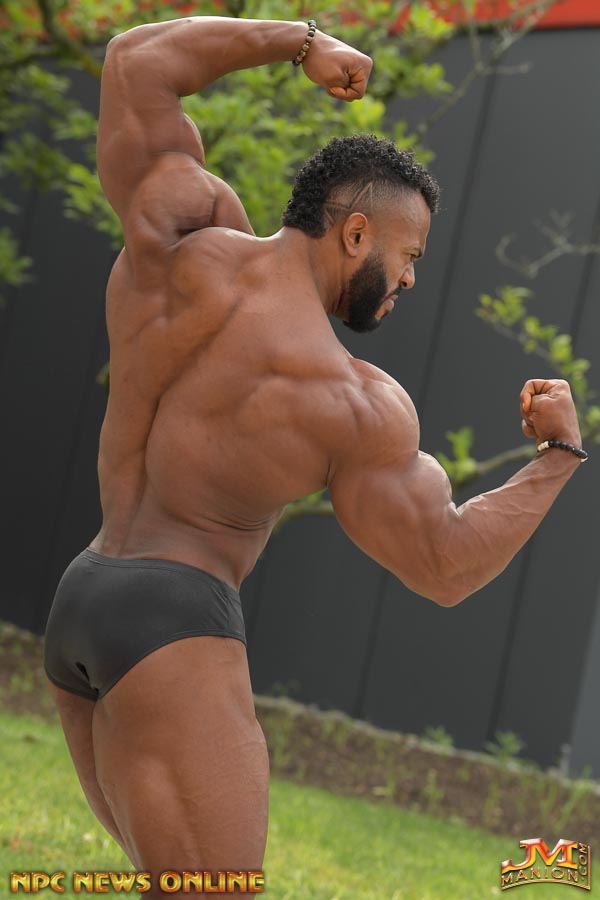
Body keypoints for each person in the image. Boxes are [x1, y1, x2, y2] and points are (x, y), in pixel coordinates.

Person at [43, 14, 586, 891]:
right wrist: (558, 453)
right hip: (172, 624)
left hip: (84, 598)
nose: (411, 278)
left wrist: (302, 43)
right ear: (356, 235)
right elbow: (445, 564)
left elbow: (135, 61)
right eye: (408, 254)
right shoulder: (351, 401)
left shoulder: (178, 237)